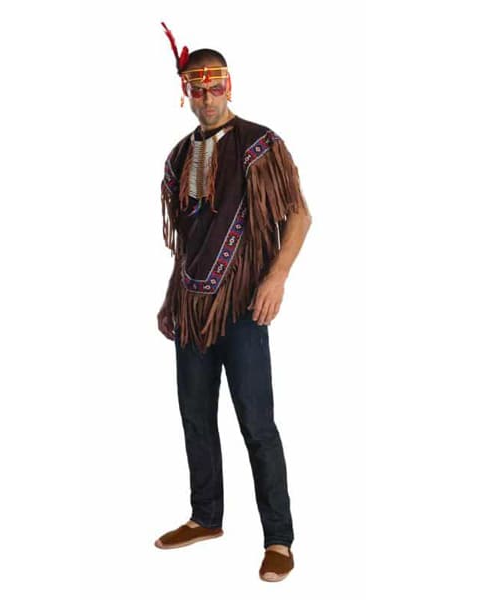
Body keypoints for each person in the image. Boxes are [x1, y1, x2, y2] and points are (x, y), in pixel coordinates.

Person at [154, 23, 312, 582]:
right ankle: (206, 517)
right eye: (195, 88)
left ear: (229, 85)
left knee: (257, 423)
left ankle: (279, 539)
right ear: (185, 92)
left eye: (214, 85)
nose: (206, 97)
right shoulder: (178, 156)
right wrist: (172, 298)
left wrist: (277, 278)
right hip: (191, 309)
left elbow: (299, 215)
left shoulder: (262, 144)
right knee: (195, 417)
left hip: (244, 307)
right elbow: (186, 240)